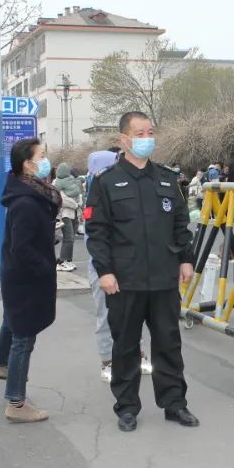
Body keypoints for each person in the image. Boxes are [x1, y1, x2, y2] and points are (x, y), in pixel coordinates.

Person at [85, 111, 198, 433]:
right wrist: (105, 271)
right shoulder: (106, 181)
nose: (147, 138)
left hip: (163, 278)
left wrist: (186, 259)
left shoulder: (166, 178)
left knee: (168, 345)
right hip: (125, 281)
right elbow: (97, 232)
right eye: (139, 133)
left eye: (150, 132)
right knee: (125, 347)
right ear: (124, 139)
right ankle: (127, 407)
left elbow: (180, 223)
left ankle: (174, 404)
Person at [0, 138, 62, 423]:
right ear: (27, 164)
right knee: (23, 337)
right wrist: (44, 266)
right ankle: (17, 403)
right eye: (41, 156)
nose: (46, 161)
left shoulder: (31, 193)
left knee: (12, 321)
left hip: (19, 275)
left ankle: (1, 365)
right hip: (25, 278)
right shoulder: (25, 202)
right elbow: (21, 248)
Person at [84, 149, 154, 382]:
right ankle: (108, 360)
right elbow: (95, 237)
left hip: (129, 265)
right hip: (103, 268)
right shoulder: (96, 195)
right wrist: (104, 269)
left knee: (135, 313)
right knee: (105, 314)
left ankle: (138, 354)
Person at [53, 162, 82, 271]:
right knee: (68, 237)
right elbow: (62, 199)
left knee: (72, 238)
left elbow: (79, 194)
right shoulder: (56, 183)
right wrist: (75, 204)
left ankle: (68, 260)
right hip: (64, 214)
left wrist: (78, 204)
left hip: (75, 213)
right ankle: (61, 261)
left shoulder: (72, 181)